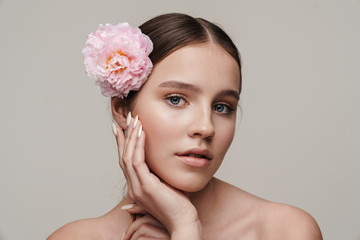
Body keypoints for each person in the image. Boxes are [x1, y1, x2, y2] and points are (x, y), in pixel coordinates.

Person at [48, 13, 322, 240]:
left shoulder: (284, 231)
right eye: (176, 99)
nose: (206, 128)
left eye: (222, 107)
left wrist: (186, 227)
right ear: (122, 110)